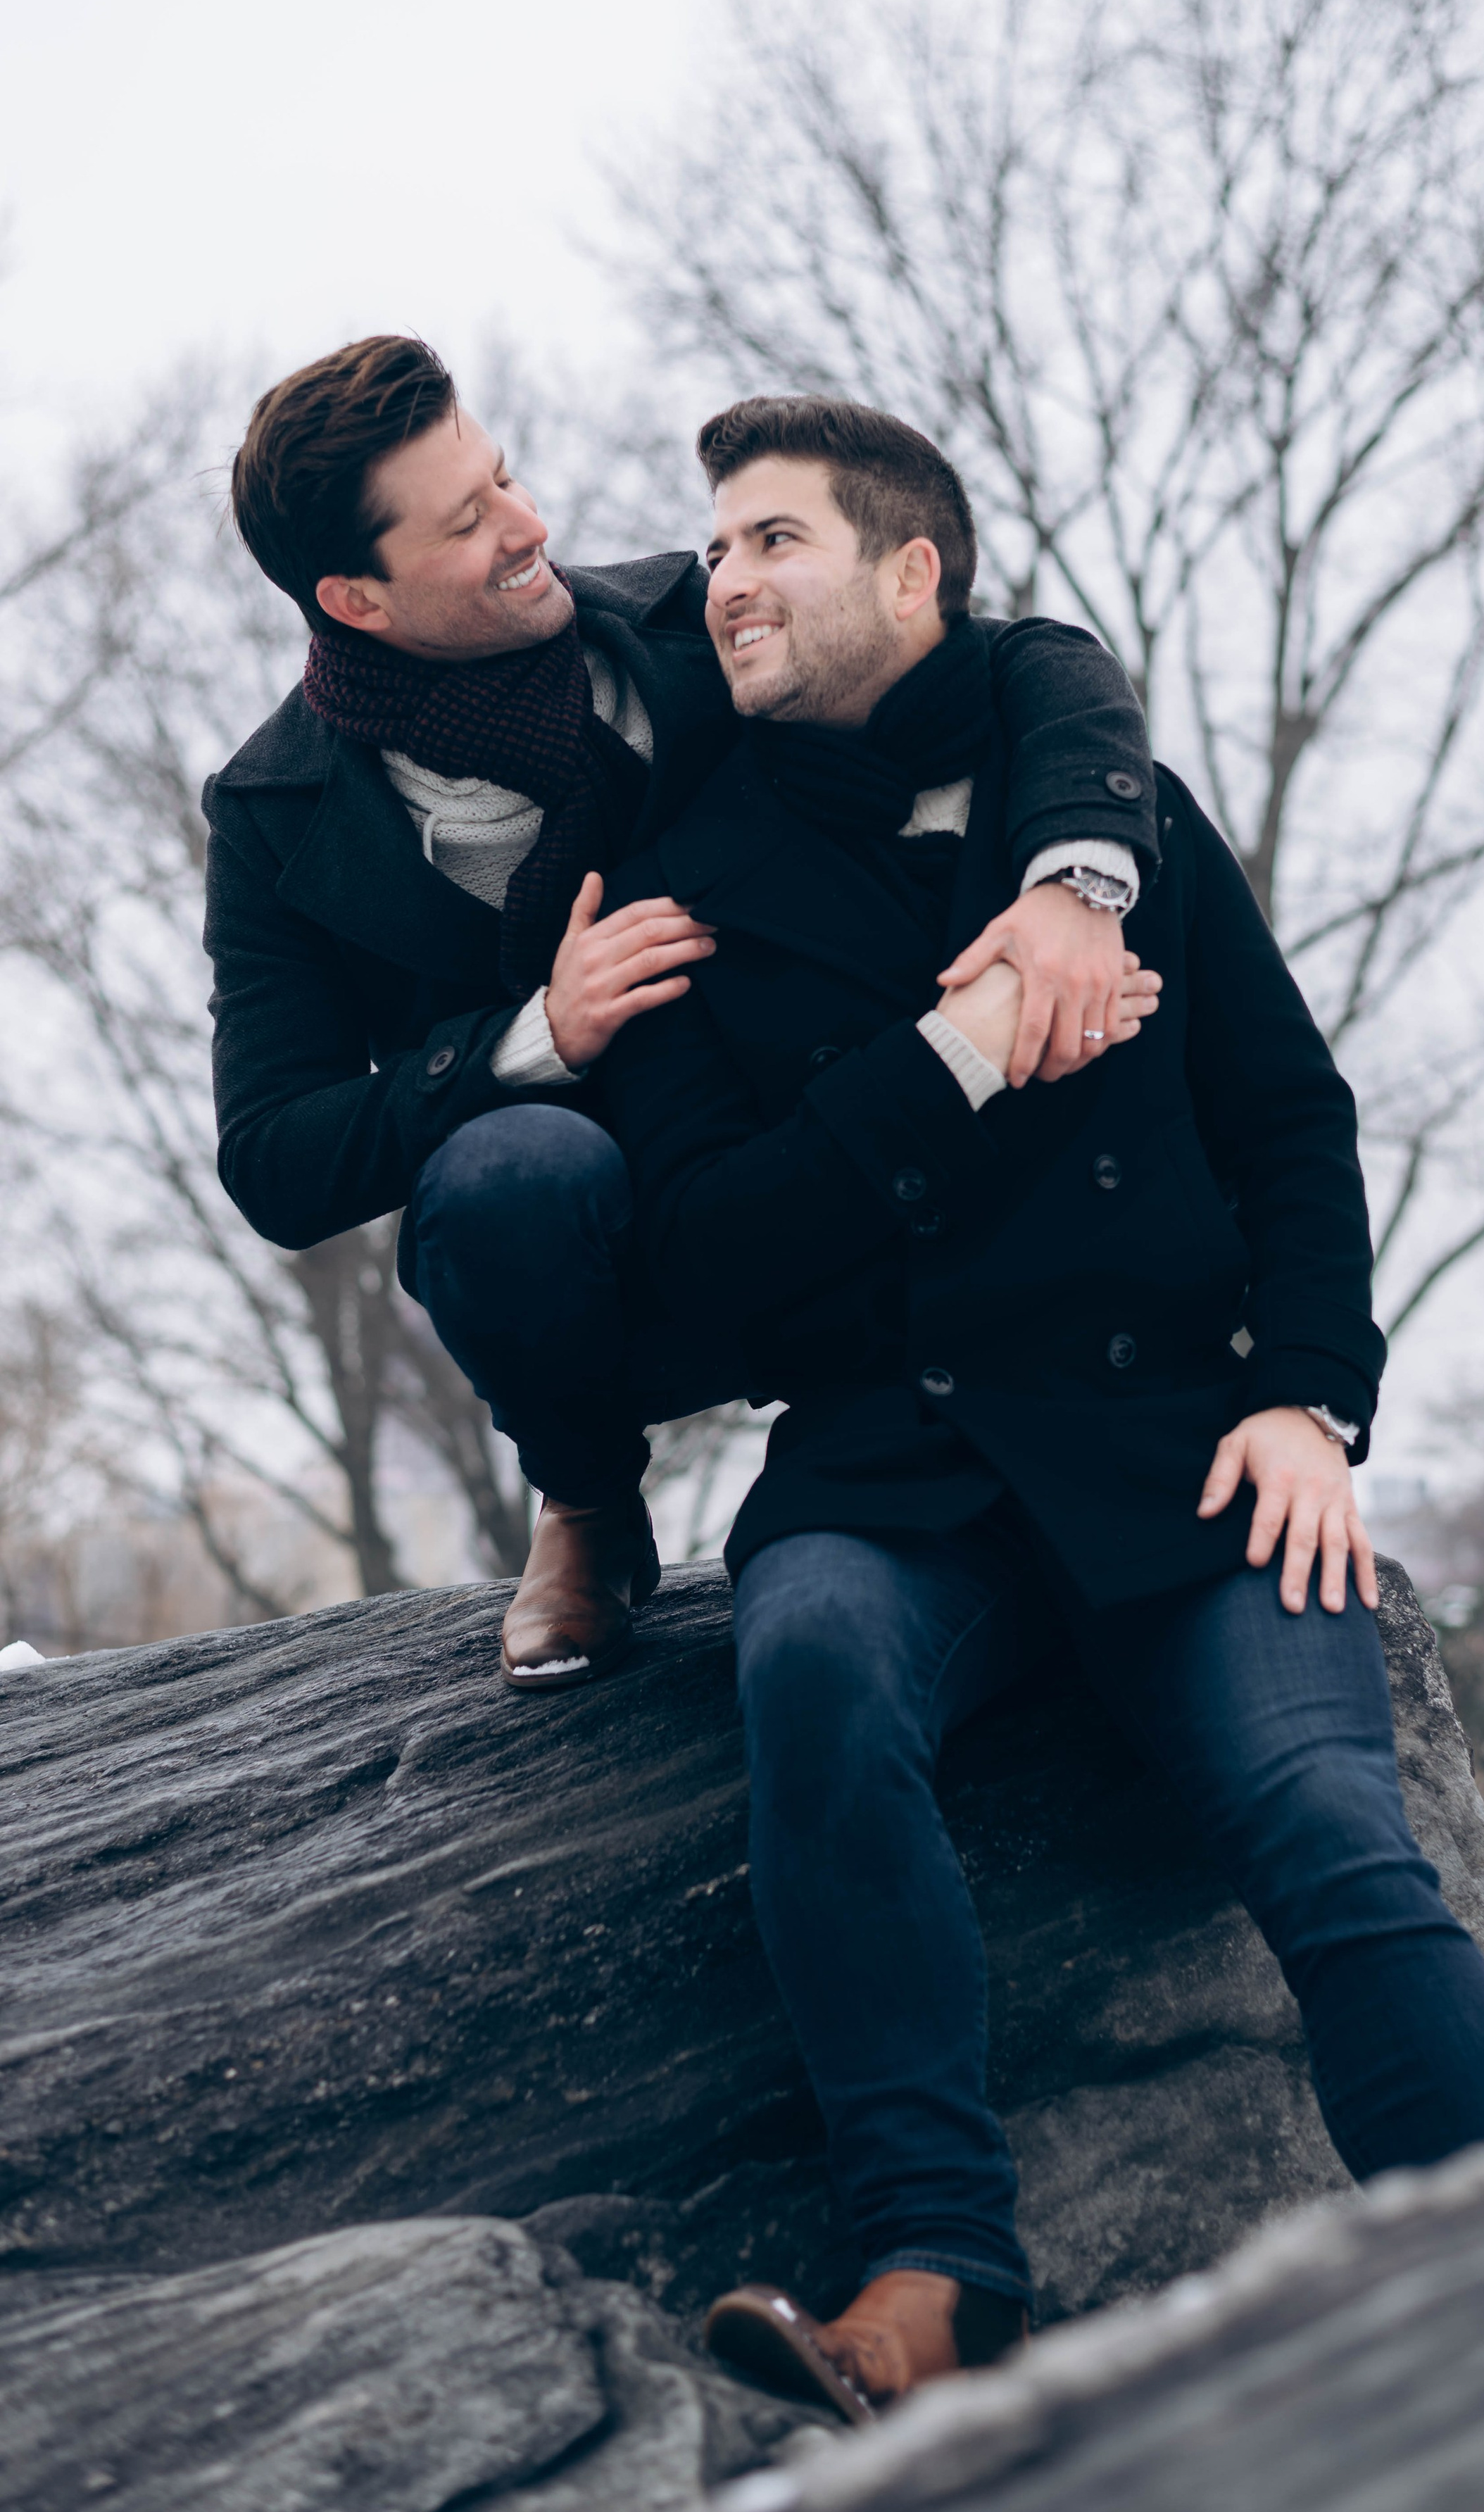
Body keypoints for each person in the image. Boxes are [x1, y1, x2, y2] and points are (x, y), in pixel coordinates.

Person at [593, 394, 1484, 2423]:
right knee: (820, 1677)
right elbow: (705, 1257)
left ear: (911, 571)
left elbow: (1287, 1119)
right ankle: (927, 2280)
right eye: (717, 549)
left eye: (774, 542)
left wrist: (1309, 1401)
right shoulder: (676, 883)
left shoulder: (1103, 810)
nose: (721, 582)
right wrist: (957, 1045)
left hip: (1184, 1450)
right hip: (888, 1459)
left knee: (1328, 1827)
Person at [205, 336, 1164, 1686]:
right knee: (510, 1172)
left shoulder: (691, 619)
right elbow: (273, 1157)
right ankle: (588, 1509)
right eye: (468, 521)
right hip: (603, 1274)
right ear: (355, 597)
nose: (528, 528)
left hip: (829, 1160)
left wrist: (1078, 879)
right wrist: (528, 1036)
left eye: (506, 478)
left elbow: (1018, 658)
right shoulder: (272, 816)